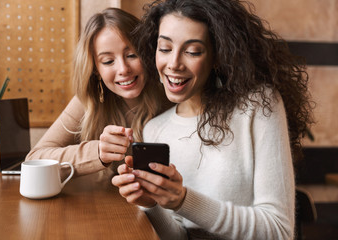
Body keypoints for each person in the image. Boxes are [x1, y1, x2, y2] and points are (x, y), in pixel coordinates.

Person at [112, 0, 314, 239]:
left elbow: (279, 231)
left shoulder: (258, 105)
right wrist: (151, 205)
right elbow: (178, 236)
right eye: (165, 48)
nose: (174, 63)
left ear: (218, 55)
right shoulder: (155, 129)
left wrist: (184, 200)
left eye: (192, 51)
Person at [26, 8, 170, 177]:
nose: (123, 69)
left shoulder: (172, 94)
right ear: (95, 69)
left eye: (132, 55)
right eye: (108, 61)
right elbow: (35, 159)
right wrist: (98, 152)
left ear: (147, 52)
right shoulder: (89, 101)